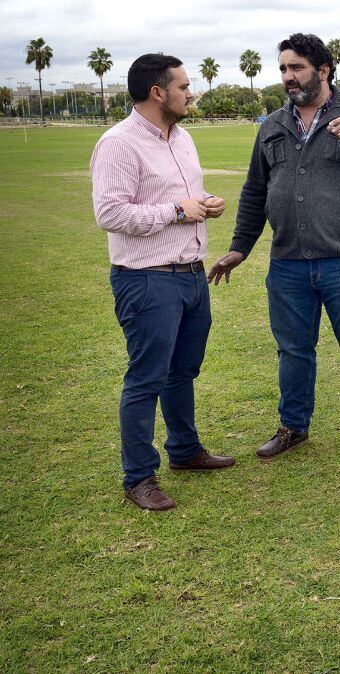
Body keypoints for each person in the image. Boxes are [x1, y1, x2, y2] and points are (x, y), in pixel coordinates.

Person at [207, 33, 340, 460]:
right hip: (288, 265)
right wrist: (240, 248)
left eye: (296, 67)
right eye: (283, 68)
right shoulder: (273, 126)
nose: (288, 76)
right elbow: (255, 192)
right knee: (293, 350)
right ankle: (293, 427)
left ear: (323, 70)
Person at [90, 54, 235, 511]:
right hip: (147, 280)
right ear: (158, 92)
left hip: (191, 276)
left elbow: (181, 198)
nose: (191, 93)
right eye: (184, 86)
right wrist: (176, 211)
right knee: (146, 378)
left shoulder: (183, 137)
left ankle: (185, 451)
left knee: (182, 372)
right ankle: (138, 478)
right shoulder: (119, 143)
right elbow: (110, 214)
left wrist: (204, 203)